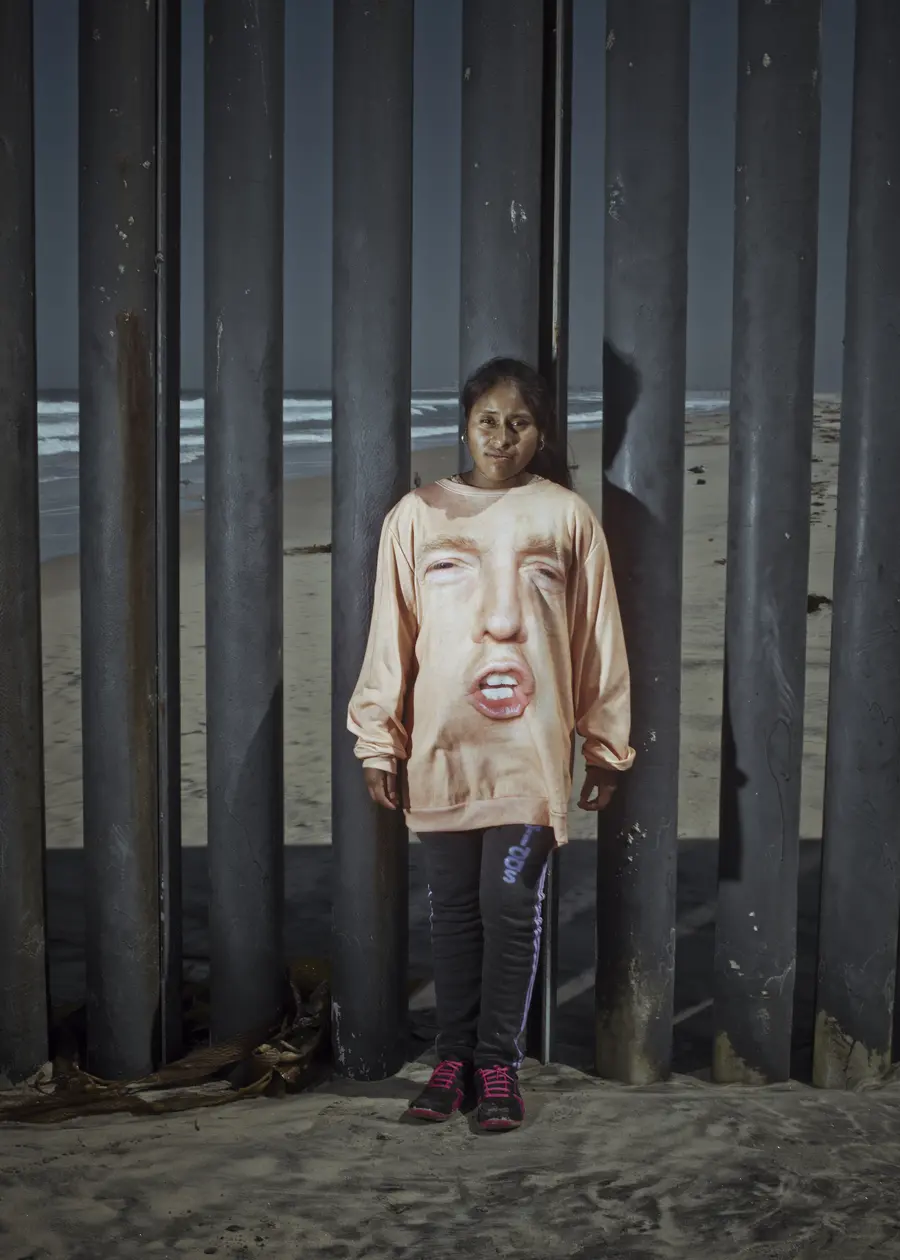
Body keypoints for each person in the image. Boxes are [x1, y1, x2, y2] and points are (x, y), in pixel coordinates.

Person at [348, 357, 634, 1131]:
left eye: (520, 422)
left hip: (529, 753)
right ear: (464, 423)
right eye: (487, 421)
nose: (502, 437)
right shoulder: (417, 516)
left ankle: (498, 1066)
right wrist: (380, 740)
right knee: (453, 913)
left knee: (510, 902)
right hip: (442, 749)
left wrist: (605, 744)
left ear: (541, 431)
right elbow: (391, 638)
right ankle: (452, 1062)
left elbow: (596, 639)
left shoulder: (566, 517)